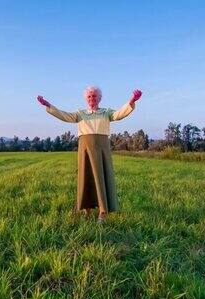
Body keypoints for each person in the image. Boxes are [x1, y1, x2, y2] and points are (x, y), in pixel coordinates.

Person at [37, 86, 142, 222]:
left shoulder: (106, 112)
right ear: (86, 99)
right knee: (86, 178)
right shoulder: (80, 114)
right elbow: (65, 116)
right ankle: (86, 211)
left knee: (101, 178)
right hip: (85, 149)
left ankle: (103, 212)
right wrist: (48, 105)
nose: (92, 98)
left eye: (94, 96)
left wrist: (132, 100)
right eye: (89, 96)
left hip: (101, 148)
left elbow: (119, 114)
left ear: (99, 98)